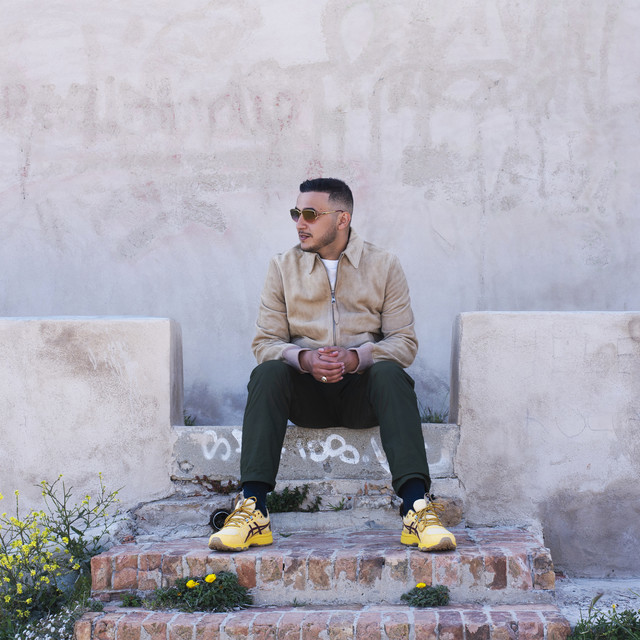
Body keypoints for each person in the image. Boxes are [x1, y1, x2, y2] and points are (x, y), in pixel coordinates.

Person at [208, 178, 456, 553]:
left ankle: (416, 508)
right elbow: (265, 343)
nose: (300, 223)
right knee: (268, 372)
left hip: (363, 394)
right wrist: (304, 359)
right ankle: (253, 509)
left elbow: (404, 343)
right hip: (305, 395)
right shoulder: (282, 267)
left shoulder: (383, 265)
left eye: (310, 214)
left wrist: (357, 358)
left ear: (342, 219)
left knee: (391, 373)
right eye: (296, 213)